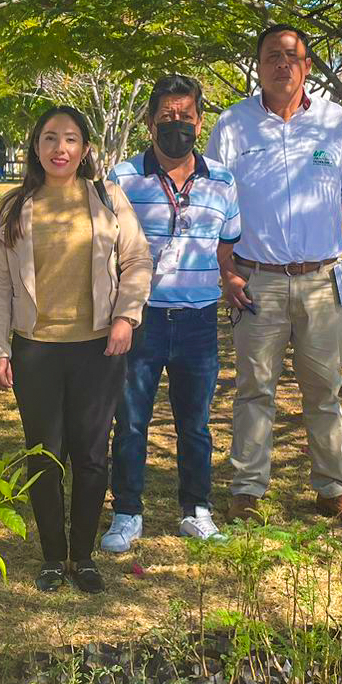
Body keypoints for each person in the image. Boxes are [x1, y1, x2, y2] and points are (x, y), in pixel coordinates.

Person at [208, 25, 342, 528]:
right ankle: (247, 490)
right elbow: (215, 203)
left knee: (324, 390)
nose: (283, 64)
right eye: (272, 56)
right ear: (257, 66)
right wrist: (226, 272)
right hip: (255, 282)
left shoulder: (334, 123)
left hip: (321, 281)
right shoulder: (233, 125)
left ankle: (332, 490)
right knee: (254, 388)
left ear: (307, 66)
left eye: (292, 56)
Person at [0, 106, 152, 594]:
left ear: (84, 149)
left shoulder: (107, 199)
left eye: (72, 139)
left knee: (91, 455)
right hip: (35, 350)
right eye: (50, 138)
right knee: (45, 457)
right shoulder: (14, 206)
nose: (61, 148)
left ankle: (85, 555)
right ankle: (54, 557)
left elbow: (138, 258)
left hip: (97, 348)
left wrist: (126, 316)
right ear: (36, 146)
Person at [102, 74, 241, 552]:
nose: (176, 125)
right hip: (140, 319)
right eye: (167, 118)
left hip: (199, 320)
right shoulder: (122, 178)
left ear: (200, 121)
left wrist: (232, 280)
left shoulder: (222, 179)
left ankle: (196, 509)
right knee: (132, 418)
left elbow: (227, 246)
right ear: (149, 122)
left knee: (195, 422)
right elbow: (104, 248)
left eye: (185, 117)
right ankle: (127, 511)